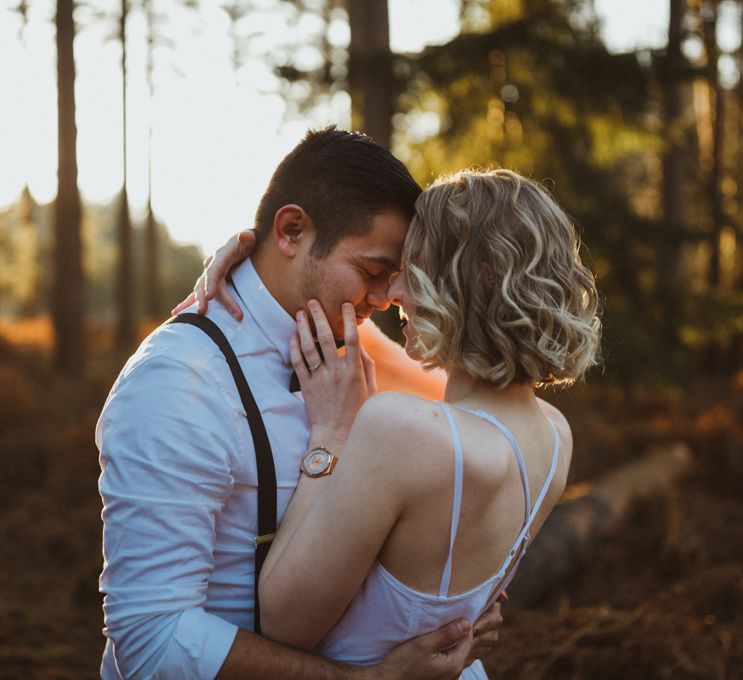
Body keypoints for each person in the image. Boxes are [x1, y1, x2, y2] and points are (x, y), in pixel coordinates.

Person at [96, 127, 502, 680]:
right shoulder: (179, 384)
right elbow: (152, 641)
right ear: (291, 231)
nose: (384, 300)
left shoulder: (350, 342)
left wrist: (456, 597)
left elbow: (475, 436)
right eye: (371, 271)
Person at [185, 168, 602, 678]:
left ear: (474, 280)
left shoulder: (400, 431)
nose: (392, 291)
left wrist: (332, 436)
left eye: (415, 267)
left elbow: (282, 622)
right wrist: (255, 261)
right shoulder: (556, 434)